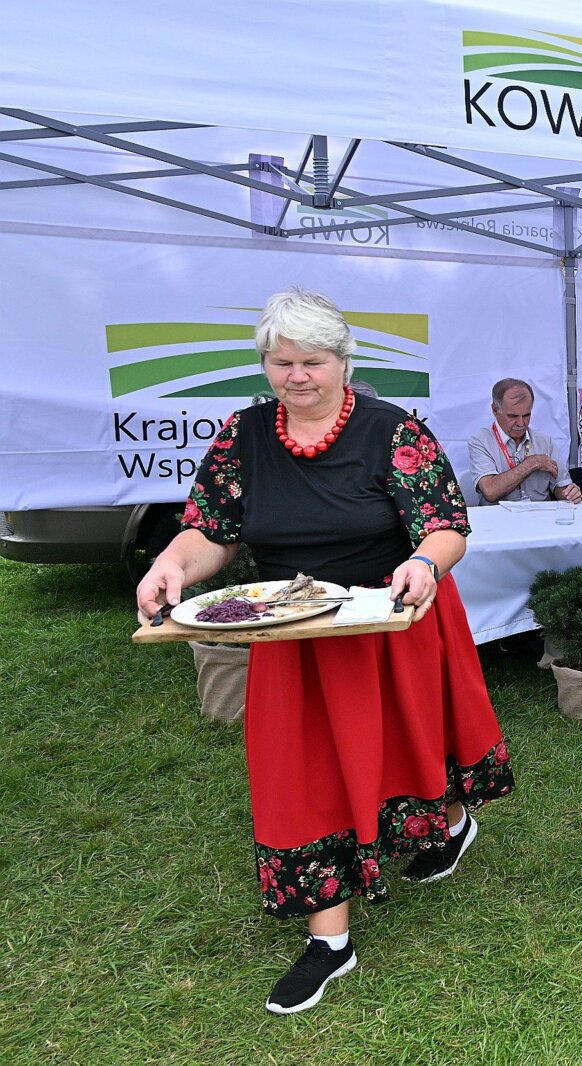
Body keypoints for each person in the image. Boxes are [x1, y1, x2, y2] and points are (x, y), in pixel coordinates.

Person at [134, 288, 514, 1014]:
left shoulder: (391, 431)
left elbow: (445, 525)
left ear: (343, 361)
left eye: (312, 361)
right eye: (281, 362)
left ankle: (451, 823)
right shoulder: (243, 436)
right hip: (292, 628)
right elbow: (212, 530)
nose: (296, 376)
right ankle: (330, 942)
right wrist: (172, 564)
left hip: (388, 619)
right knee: (300, 774)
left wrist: (424, 563)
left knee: (409, 748)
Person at [466, 378, 582, 505]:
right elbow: (490, 491)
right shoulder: (480, 441)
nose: (521, 423)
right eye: (513, 416)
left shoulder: (544, 441)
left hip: (541, 514)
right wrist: (531, 463)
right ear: (495, 410)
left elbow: (561, 486)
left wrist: (569, 493)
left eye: (527, 415)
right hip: (499, 516)